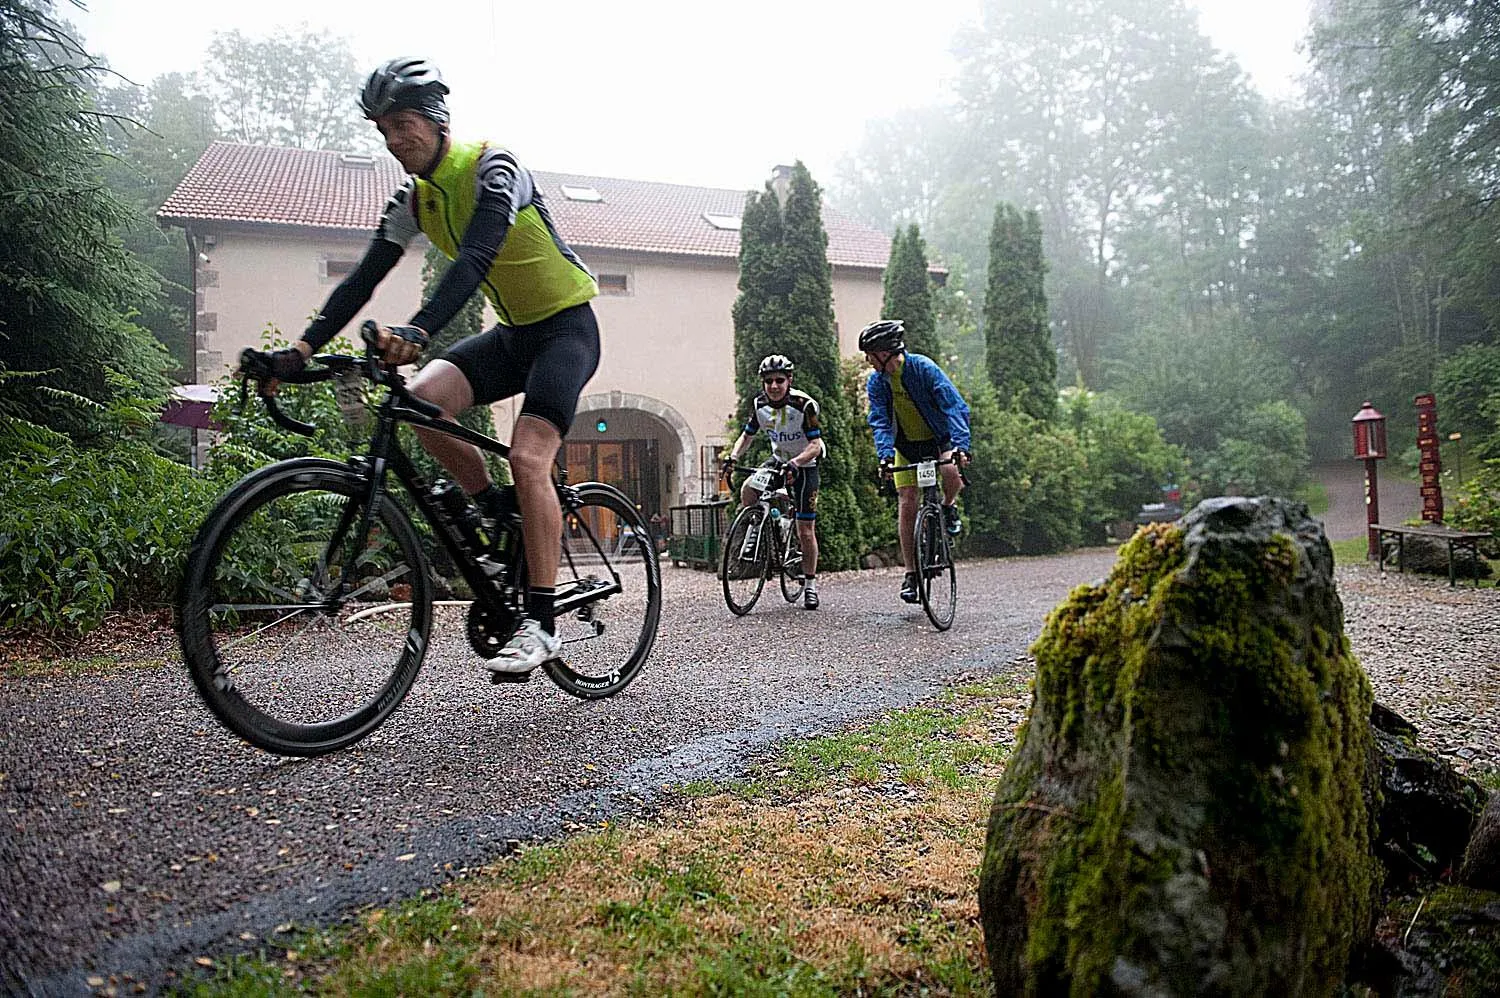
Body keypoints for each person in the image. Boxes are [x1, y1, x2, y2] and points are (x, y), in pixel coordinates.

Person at [252, 57, 600, 677]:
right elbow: (363, 277)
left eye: (403, 124)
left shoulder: (494, 168)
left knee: (528, 457)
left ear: (436, 120)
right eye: (382, 129)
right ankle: (494, 509)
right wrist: (300, 350)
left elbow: (474, 259)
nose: (393, 140)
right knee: (418, 402)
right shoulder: (414, 200)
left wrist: (419, 329)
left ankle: (542, 623)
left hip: (567, 330)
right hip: (515, 335)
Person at [859, 320, 971, 605]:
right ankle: (911, 573)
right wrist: (884, 455)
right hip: (906, 446)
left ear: (885, 352)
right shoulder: (877, 382)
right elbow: (880, 421)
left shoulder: (922, 368)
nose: (868, 360)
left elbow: (953, 405)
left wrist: (961, 445)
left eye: (871, 354)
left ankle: (947, 507)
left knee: (949, 470)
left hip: (938, 440)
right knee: (907, 501)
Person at [718, 355, 825, 609]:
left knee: (805, 530)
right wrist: (732, 457)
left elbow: (816, 444)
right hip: (778, 460)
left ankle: (809, 584)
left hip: (804, 464)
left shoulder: (804, 405)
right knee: (748, 490)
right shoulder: (760, 405)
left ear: (789, 380)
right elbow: (746, 436)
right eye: (768, 381)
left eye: (779, 380)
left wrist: (797, 463)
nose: (774, 386)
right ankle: (762, 525)